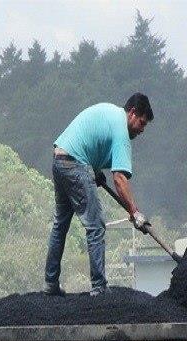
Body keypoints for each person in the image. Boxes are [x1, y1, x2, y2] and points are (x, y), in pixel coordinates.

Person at [44, 94, 153, 296]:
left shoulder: (110, 114)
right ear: (132, 113)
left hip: (60, 160)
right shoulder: (121, 129)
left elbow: (91, 141)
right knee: (95, 226)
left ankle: (51, 283)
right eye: (141, 123)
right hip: (75, 163)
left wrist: (95, 172)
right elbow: (119, 178)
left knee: (60, 224)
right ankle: (99, 288)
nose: (141, 129)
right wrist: (135, 213)